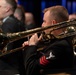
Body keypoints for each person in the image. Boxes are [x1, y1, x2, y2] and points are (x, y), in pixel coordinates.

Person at [22, 5, 74, 75]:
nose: (42, 25)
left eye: (44, 21)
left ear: (53, 23)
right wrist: (30, 48)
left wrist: (32, 46)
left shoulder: (60, 46)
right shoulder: (55, 41)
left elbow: (31, 70)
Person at [0, 0, 25, 75]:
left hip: (8, 70)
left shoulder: (9, 23)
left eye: (0, 6)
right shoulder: (14, 21)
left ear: (7, 9)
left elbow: (5, 50)